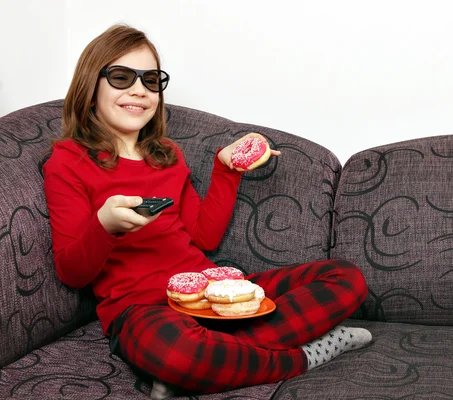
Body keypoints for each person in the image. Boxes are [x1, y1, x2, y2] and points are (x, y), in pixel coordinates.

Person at [43, 24, 371, 399]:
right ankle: (306, 356)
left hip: (213, 293)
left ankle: (204, 362)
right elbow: (72, 272)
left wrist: (227, 169)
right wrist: (105, 225)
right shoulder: (67, 162)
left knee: (345, 277)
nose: (139, 90)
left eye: (151, 80)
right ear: (91, 86)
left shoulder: (166, 155)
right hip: (141, 310)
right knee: (175, 350)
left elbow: (203, 237)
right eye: (121, 77)